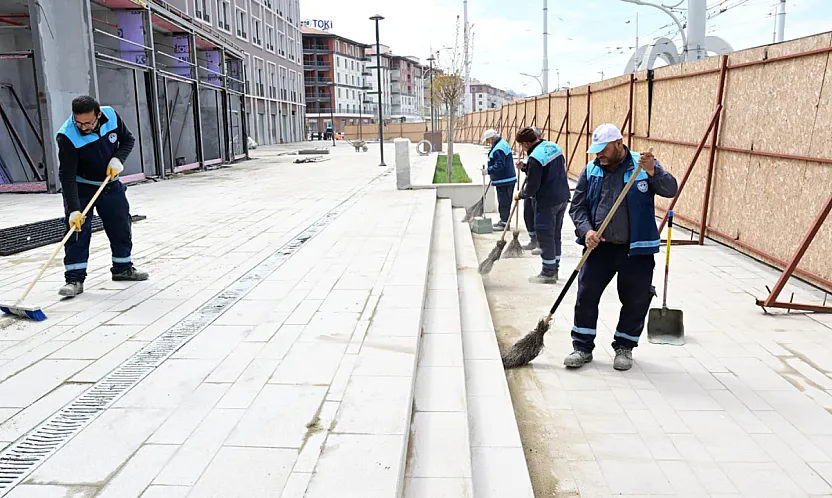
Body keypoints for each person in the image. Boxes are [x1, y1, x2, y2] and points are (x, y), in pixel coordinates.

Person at [565, 123, 678, 371]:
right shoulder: (591, 170)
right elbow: (577, 207)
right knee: (586, 296)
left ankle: (624, 347)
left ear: (618, 143)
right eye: (595, 151)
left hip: (636, 249)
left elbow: (670, 189)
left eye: (603, 150)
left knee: (636, 299)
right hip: (599, 248)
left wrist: (653, 172)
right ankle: (582, 347)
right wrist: (587, 232)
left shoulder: (643, 165)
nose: (599, 156)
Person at [56, 95, 149, 298]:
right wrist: (74, 209)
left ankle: (123, 269)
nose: (83, 127)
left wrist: (118, 159)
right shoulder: (67, 136)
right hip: (82, 186)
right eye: (79, 122)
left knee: (121, 224)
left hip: (109, 183)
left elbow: (128, 140)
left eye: (88, 122)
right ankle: (74, 279)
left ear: (98, 115)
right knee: (77, 231)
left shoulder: (111, 116)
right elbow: (67, 175)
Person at [514, 127, 571, 284]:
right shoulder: (554, 147)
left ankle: (548, 273)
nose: (522, 148)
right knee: (555, 235)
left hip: (547, 201)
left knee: (545, 235)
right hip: (562, 198)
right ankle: (555, 267)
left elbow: (533, 185)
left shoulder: (535, 158)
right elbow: (547, 171)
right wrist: (525, 168)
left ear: (526, 143)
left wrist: (521, 195)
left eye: (521, 145)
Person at [481, 129, 517, 230]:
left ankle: (504, 224)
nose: (488, 143)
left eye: (488, 140)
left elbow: (500, 165)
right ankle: (503, 221)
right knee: (504, 201)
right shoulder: (501, 144)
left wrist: (488, 170)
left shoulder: (499, 149)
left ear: (492, 138)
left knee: (504, 202)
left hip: (505, 180)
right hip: (505, 179)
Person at [517, 126, 546, 251]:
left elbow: (539, 173)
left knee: (538, 218)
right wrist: (524, 166)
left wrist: (522, 194)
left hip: (538, 191)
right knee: (528, 214)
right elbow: (533, 170)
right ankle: (533, 240)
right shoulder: (533, 152)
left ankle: (541, 243)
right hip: (531, 189)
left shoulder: (542, 151)